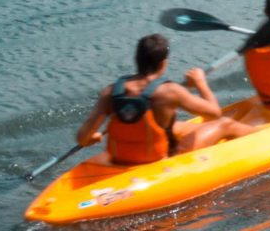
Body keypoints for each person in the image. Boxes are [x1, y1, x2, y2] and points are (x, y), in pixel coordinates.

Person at [75, 33, 255, 166]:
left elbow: (82, 138)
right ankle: (264, 135)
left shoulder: (111, 91)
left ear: (137, 59)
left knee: (176, 126)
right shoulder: (170, 91)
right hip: (157, 159)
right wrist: (200, 82)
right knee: (225, 123)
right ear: (163, 63)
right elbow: (214, 113)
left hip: (119, 159)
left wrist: (93, 137)